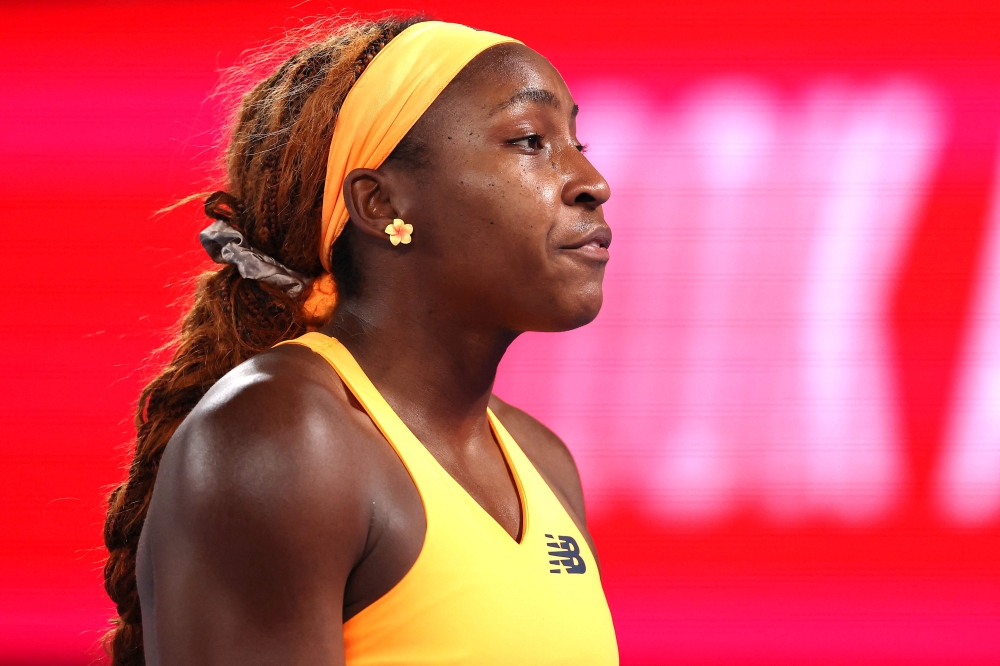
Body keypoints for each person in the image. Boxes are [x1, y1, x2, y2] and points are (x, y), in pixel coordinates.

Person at [103, 15, 616, 666]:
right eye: (527, 140)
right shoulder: (285, 435)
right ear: (381, 204)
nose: (592, 183)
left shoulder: (544, 462)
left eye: (578, 141)